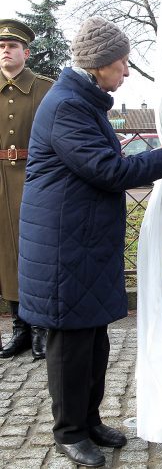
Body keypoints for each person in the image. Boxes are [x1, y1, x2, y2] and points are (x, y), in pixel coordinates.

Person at [17, 17, 162, 468]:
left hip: (82, 241)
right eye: (122, 64)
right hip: (63, 246)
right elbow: (108, 170)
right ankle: (70, 431)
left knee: (94, 340)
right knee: (70, 344)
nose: (127, 72)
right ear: (98, 65)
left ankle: (90, 419)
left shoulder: (83, 100)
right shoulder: (66, 106)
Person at [0, 19, 52, 359]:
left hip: (37, 178)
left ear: (26, 52)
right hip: (0, 181)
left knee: (37, 254)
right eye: (1, 47)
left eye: (12, 46)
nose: (5, 51)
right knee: (6, 255)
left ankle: (41, 328)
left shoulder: (45, 88)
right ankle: (19, 328)